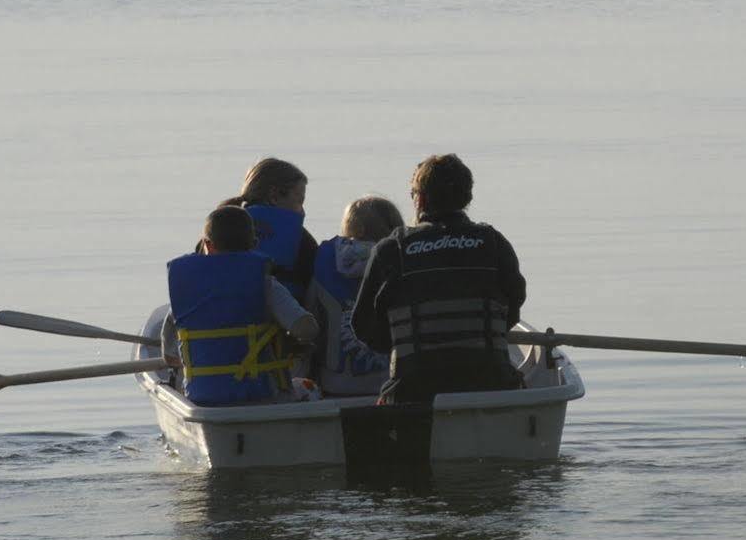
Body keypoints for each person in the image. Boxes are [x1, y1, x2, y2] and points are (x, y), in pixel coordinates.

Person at [350, 154, 526, 404]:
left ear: (420, 199)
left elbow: (362, 325)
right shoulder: (494, 243)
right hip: (492, 384)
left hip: (414, 389)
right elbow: (513, 309)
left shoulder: (392, 249)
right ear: (467, 198)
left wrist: (402, 343)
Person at [165, 204, 319, 406]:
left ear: (207, 245)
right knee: (310, 389)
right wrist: (288, 340)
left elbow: (170, 358)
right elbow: (307, 329)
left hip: (203, 400)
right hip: (262, 396)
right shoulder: (266, 285)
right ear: (254, 244)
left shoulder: (185, 292)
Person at [307, 195, 405, 396]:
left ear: (355, 229)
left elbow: (311, 313)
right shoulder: (400, 257)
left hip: (335, 382)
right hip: (389, 380)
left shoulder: (325, 259)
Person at [221, 157, 319, 297]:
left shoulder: (218, 228)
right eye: (299, 201)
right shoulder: (303, 241)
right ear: (274, 196)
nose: (303, 212)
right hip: (285, 317)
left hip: (225, 314)